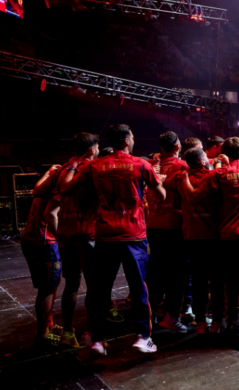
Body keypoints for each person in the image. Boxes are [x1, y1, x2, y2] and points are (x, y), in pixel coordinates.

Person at [63, 124, 167, 356]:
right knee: (139, 288)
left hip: (105, 235)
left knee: (101, 290)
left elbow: (67, 189)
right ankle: (144, 337)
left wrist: (71, 167)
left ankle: (98, 340)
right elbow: (161, 195)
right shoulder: (141, 164)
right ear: (127, 141)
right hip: (134, 234)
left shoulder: (93, 166)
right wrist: (155, 183)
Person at [182, 124, 239, 346]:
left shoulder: (218, 173)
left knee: (231, 281)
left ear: (227, 153)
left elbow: (193, 197)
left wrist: (184, 176)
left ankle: (231, 323)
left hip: (228, 235)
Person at [53, 133, 102, 348]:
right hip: (87, 234)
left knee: (71, 285)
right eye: (97, 147)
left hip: (66, 234)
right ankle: (91, 334)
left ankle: (67, 332)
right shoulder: (92, 168)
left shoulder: (64, 169)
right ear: (91, 150)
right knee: (94, 286)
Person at [170, 148, 223, 335]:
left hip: (192, 235)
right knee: (216, 281)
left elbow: (161, 184)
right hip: (214, 235)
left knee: (199, 281)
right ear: (201, 162)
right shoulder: (213, 176)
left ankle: (200, 323)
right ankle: (216, 321)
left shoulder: (179, 178)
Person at [146, 131, 190, 333]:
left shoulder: (150, 166)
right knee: (176, 273)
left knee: (155, 269)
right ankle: (171, 317)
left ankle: (151, 313)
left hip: (153, 225)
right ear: (177, 146)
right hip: (174, 225)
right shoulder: (182, 167)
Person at [23, 164, 61, 347]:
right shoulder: (56, 189)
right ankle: (42, 334)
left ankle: (48, 325)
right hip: (44, 242)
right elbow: (51, 215)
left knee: (51, 285)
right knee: (47, 288)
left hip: (33, 240)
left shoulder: (43, 187)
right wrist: (62, 238)